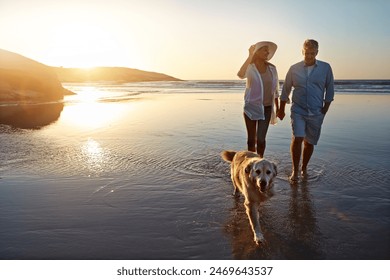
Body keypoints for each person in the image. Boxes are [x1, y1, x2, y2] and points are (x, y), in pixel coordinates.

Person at [277, 39, 334, 182]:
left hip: (316, 112)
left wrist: (324, 110)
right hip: (298, 111)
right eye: (306, 53)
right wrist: (281, 109)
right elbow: (286, 89)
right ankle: (295, 171)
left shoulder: (325, 68)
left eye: (312, 53)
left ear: (317, 52)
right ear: (302, 51)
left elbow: (330, 90)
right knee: (298, 138)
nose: (309, 56)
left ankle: (304, 168)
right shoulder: (294, 68)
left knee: (309, 142)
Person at [237, 41, 280, 157]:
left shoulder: (272, 68)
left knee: (261, 140)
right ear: (257, 52)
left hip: (266, 108)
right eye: (264, 49)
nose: (267, 52)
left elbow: (275, 90)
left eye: (268, 50)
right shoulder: (250, 67)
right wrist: (249, 56)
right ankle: (250, 163)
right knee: (251, 140)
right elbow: (240, 74)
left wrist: (278, 107)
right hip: (251, 107)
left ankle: (260, 162)